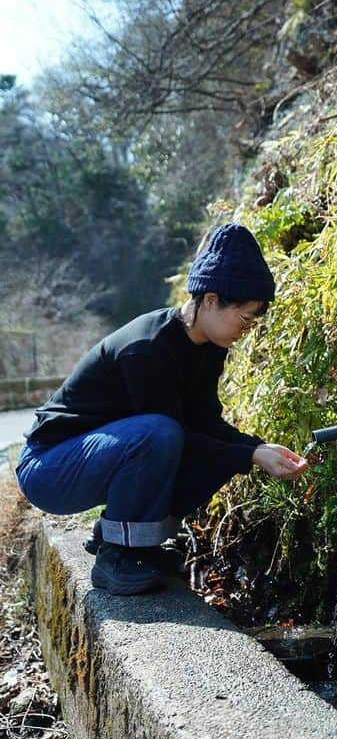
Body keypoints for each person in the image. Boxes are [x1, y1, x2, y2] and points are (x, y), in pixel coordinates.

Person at [15, 223, 308, 596]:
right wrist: (247, 453)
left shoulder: (208, 347)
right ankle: (116, 558)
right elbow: (176, 436)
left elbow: (204, 422)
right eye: (245, 318)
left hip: (95, 457)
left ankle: (135, 545)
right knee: (162, 434)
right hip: (48, 468)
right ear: (211, 300)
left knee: (200, 448)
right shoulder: (148, 348)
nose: (247, 330)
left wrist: (256, 448)